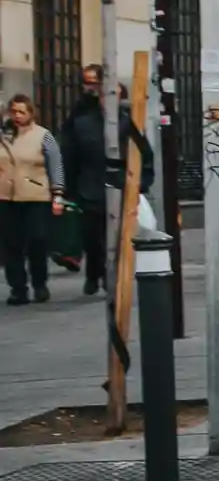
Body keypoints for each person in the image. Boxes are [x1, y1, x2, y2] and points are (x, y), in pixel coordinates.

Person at [61, 64, 154, 295]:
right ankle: (95, 274)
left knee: (116, 237)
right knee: (93, 238)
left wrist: (141, 183)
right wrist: (67, 191)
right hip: (89, 190)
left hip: (120, 187)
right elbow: (70, 157)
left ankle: (111, 276)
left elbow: (144, 155)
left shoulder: (129, 124)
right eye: (106, 97)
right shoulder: (82, 124)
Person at [0, 94, 67, 305]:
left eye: (22, 112)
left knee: (37, 240)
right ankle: (18, 288)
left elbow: (55, 164)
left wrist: (58, 193)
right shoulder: (3, 135)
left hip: (35, 195)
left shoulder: (43, 136)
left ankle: (40, 283)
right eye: (14, 111)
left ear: (31, 113)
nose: (17, 116)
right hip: (6, 196)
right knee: (12, 244)